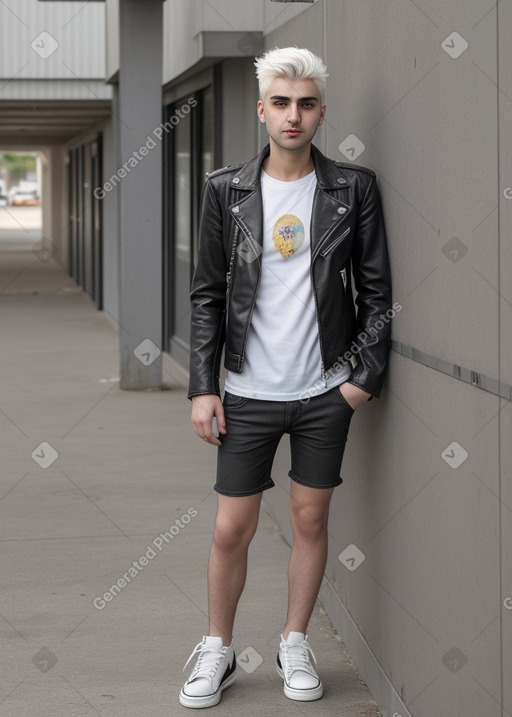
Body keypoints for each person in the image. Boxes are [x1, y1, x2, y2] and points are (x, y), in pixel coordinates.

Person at [179, 46, 392, 709]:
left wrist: (361, 378)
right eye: (281, 102)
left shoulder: (352, 187)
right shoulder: (226, 190)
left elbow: (379, 294)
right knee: (228, 529)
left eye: (305, 103)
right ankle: (217, 647)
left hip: (324, 391)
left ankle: (294, 639)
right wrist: (202, 385)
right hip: (246, 392)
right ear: (261, 109)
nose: (292, 115)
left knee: (308, 519)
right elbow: (208, 293)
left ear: (320, 112)